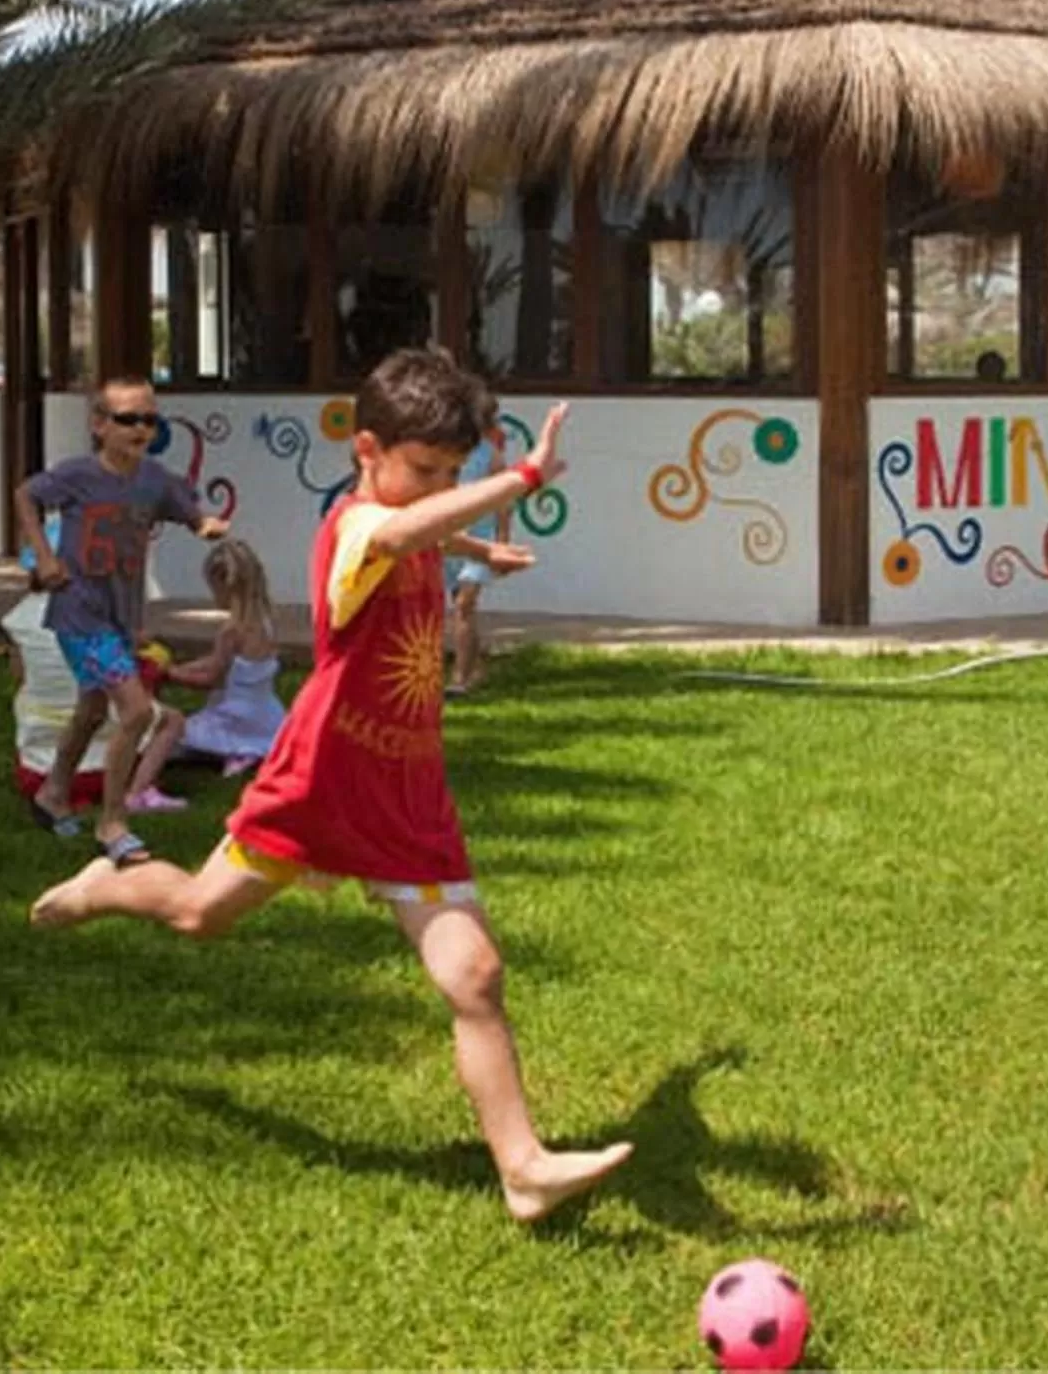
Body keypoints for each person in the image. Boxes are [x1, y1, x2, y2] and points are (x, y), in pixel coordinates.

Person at [31, 347, 634, 1224]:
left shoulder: (416, 515)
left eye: (451, 474)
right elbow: (389, 536)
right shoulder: (355, 531)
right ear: (366, 447)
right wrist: (523, 479)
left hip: (406, 793)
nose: (434, 489)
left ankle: (523, 1166)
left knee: (476, 974)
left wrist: (477, 549)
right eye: (423, 471)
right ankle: (107, 887)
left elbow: (423, 529)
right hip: (320, 783)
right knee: (202, 914)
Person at [16, 375, 229, 860]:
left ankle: (52, 794)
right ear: (99, 425)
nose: (140, 428)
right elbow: (25, 495)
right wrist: (44, 557)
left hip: (119, 617)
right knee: (135, 711)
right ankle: (113, 825)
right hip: (78, 612)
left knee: (92, 711)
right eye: (127, 418)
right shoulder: (75, 475)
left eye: (149, 420)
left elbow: (186, 509)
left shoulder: (153, 479)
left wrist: (204, 525)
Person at [4, 568, 190, 817]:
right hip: (103, 765)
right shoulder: (99, 611)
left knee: (31, 699)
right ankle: (137, 792)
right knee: (170, 720)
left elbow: (19, 674)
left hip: (37, 769)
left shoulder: (19, 617)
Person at [166, 536, 286, 776]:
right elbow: (224, 663)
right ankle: (252, 747)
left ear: (223, 587)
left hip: (234, 714)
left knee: (178, 735)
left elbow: (212, 677)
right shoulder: (265, 622)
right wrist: (184, 666)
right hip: (265, 713)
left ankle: (236, 747)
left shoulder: (231, 631)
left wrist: (171, 675)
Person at [445, 408, 513, 696]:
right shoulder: (447, 451)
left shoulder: (491, 456)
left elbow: (504, 501)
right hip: (452, 541)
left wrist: (502, 540)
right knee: (463, 609)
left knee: (464, 605)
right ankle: (476, 665)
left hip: (480, 541)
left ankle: (459, 677)